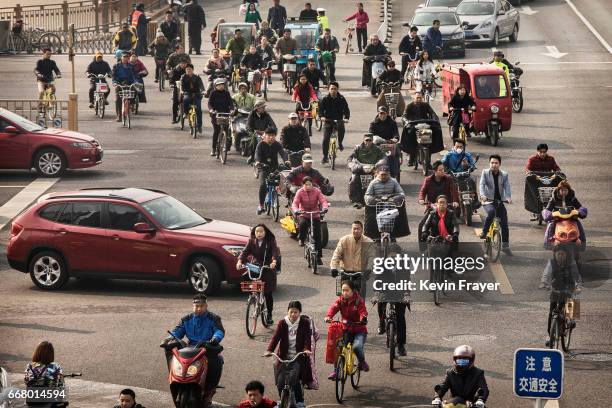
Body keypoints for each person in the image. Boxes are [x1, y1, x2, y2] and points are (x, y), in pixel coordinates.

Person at [160, 294, 224, 407]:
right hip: (189, 349)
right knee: (170, 351)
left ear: (206, 306)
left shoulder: (214, 318)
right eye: (196, 306)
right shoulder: (186, 319)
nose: (198, 308)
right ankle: (175, 377)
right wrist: (169, 338)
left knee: (217, 360)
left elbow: (219, 331)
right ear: (192, 306)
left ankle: (209, 390)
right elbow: (177, 332)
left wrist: (215, 339)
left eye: (201, 306)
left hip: (206, 347)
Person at [265, 300, 314, 407]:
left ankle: (300, 401)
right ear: (287, 312)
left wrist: (306, 349)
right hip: (283, 357)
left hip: (298, 356)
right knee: (280, 382)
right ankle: (282, 399)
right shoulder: (283, 323)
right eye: (291, 312)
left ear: (300, 312)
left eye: (295, 312)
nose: (293, 314)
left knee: (294, 379)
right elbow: (276, 337)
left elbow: (307, 339)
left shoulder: (304, 323)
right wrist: (270, 350)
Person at [237, 224, 281, 325]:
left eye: (261, 231)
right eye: (257, 231)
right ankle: (253, 297)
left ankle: (269, 314)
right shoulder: (251, 241)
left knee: (268, 293)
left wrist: (274, 261)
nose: (259, 233)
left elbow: (275, 252)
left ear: (265, 232)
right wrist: (239, 261)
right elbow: (245, 252)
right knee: (246, 277)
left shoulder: (270, 241)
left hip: (268, 267)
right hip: (256, 266)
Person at [324, 280, 369, 379]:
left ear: (353, 291)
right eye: (343, 290)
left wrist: (363, 318)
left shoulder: (358, 301)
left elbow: (363, 312)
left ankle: (362, 362)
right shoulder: (340, 300)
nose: (345, 293)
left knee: (357, 347)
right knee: (338, 348)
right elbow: (333, 308)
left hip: (359, 330)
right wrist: (328, 316)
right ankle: (336, 371)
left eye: (347, 290)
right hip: (345, 329)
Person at [540, 245, 582, 347]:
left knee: (573, 299)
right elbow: (546, 274)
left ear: (566, 255)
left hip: (569, 288)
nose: (560, 256)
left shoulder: (571, 263)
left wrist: (578, 285)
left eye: (562, 254)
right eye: (558, 254)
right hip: (556, 288)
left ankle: (571, 319)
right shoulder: (551, 263)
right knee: (552, 312)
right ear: (555, 254)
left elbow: (577, 276)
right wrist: (544, 283)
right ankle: (550, 335)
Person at [364, 162, 410, 240]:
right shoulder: (373, 183)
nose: (384, 176)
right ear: (377, 174)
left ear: (389, 174)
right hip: (376, 206)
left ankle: (394, 235)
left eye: (385, 174)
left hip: (390, 205)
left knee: (398, 218)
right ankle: (374, 235)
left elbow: (401, 194)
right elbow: (367, 196)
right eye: (382, 175)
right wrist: (376, 200)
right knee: (371, 220)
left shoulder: (394, 181)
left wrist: (393, 199)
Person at [479, 154, 512, 253]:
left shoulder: (504, 174)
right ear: (489, 163)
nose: (494, 165)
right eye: (492, 163)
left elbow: (507, 187)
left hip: (499, 201)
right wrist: (482, 195)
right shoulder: (485, 172)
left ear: (500, 164)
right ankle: (484, 232)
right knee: (492, 212)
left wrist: (508, 197)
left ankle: (505, 246)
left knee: (504, 224)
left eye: (496, 163)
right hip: (488, 200)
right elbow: (481, 184)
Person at [330, 221, 373, 295]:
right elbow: (337, 254)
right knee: (343, 297)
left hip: (360, 274)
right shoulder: (344, 240)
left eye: (358, 229)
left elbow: (372, 257)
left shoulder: (368, 242)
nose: (356, 231)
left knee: (360, 297)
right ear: (351, 229)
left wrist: (369, 269)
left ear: (362, 230)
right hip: (345, 272)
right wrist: (333, 267)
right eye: (354, 228)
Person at [292, 176, 329, 263]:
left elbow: (323, 201)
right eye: (306, 185)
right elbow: (295, 203)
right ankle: (302, 238)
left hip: (315, 214)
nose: (308, 186)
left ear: (312, 184)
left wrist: (325, 208)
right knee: (302, 224)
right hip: (304, 214)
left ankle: (318, 257)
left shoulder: (317, 191)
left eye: (310, 184)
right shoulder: (299, 192)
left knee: (317, 236)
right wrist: (296, 210)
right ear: (303, 185)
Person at [400, 92, 443, 166]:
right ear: (414, 98)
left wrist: (436, 120)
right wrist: (407, 121)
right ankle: (411, 156)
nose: (419, 99)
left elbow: (432, 113)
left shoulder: (425, 105)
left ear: (422, 98)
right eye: (417, 98)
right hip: (414, 125)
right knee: (410, 136)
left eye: (420, 98)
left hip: (425, 124)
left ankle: (428, 160)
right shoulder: (409, 106)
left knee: (435, 132)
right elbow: (404, 116)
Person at [542, 180, 587, 249]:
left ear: (568, 190)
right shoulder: (554, 199)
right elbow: (548, 209)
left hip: (571, 218)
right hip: (557, 219)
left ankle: (582, 244)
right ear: (558, 190)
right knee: (550, 226)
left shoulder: (572, 199)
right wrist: (549, 215)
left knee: (579, 226)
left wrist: (581, 212)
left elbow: (580, 207)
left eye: (565, 190)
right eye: (562, 190)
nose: (564, 192)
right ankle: (548, 243)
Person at [256, 127, 290, 214]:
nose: (271, 137)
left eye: (273, 135)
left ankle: (289, 203)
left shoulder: (277, 144)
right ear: (265, 136)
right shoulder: (261, 145)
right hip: (264, 168)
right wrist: (258, 162)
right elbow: (257, 155)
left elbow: (282, 152)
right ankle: (261, 205)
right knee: (263, 185)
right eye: (269, 135)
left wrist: (286, 160)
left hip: (275, 167)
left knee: (285, 180)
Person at [524, 143, 562, 219]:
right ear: (537, 151)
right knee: (533, 192)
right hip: (537, 180)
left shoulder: (551, 159)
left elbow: (557, 168)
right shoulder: (532, 159)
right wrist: (530, 174)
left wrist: (556, 174)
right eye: (540, 152)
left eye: (544, 152)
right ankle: (535, 210)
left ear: (546, 151)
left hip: (549, 180)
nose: (542, 154)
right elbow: (527, 169)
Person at [347, 133, 385, 208]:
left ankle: (380, 200)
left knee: (382, 180)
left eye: (369, 140)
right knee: (353, 180)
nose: (368, 142)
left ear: (372, 141)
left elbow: (384, 158)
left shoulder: (378, 149)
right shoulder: (357, 149)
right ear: (363, 140)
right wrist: (358, 167)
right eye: (366, 140)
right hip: (360, 169)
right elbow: (350, 160)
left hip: (374, 169)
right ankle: (356, 200)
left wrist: (377, 165)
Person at [319, 82, 350, 162]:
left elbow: (346, 109)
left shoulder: (341, 98)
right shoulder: (325, 99)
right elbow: (321, 110)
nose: (333, 90)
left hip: (339, 120)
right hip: (328, 121)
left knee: (341, 130)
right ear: (328, 90)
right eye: (331, 89)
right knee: (325, 139)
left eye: (335, 89)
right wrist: (322, 117)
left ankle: (340, 143)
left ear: (337, 89)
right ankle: (325, 156)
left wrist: (346, 118)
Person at [369, 106, 401, 178]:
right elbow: (371, 135)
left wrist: (395, 138)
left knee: (393, 157)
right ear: (378, 114)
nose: (382, 115)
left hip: (389, 145)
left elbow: (396, 133)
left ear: (387, 114)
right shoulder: (373, 123)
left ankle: (394, 174)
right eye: (381, 113)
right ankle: (372, 172)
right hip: (377, 145)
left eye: (384, 113)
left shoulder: (392, 123)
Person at [208, 78, 235, 155]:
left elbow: (230, 103)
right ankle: (213, 149)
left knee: (226, 131)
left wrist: (232, 110)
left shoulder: (226, 93)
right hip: (215, 115)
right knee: (216, 131)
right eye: (219, 85)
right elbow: (209, 103)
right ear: (215, 86)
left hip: (225, 114)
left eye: (222, 85)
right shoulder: (213, 93)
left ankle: (225, 147)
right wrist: (211, 110)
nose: (221, 86)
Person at [112, 52, 138, 121]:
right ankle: (119, 116)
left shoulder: (131, 66)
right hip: (119, 83)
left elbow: (134, 76)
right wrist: (115, 83)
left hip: (129, 82)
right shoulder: (116, 66)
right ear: (121, 57)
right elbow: (113, 76)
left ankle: (132, 104)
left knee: (134, 90)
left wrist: (135, 82)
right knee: (118, 99)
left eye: (127, 57)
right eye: (124, 57)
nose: (125, 59)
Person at [180, 63, 205, 132]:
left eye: (190, 69)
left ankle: (199, 126)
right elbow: (181, 86)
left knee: (199, 110)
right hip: (187, 93)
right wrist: (182, 91)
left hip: (196, 94)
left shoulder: (197, 77)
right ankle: (186, 113)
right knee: (185, 100)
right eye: (187, 69)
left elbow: (201, 86)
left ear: (193, 70)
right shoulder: (183, 77)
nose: (188, 71)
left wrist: (203, 91)